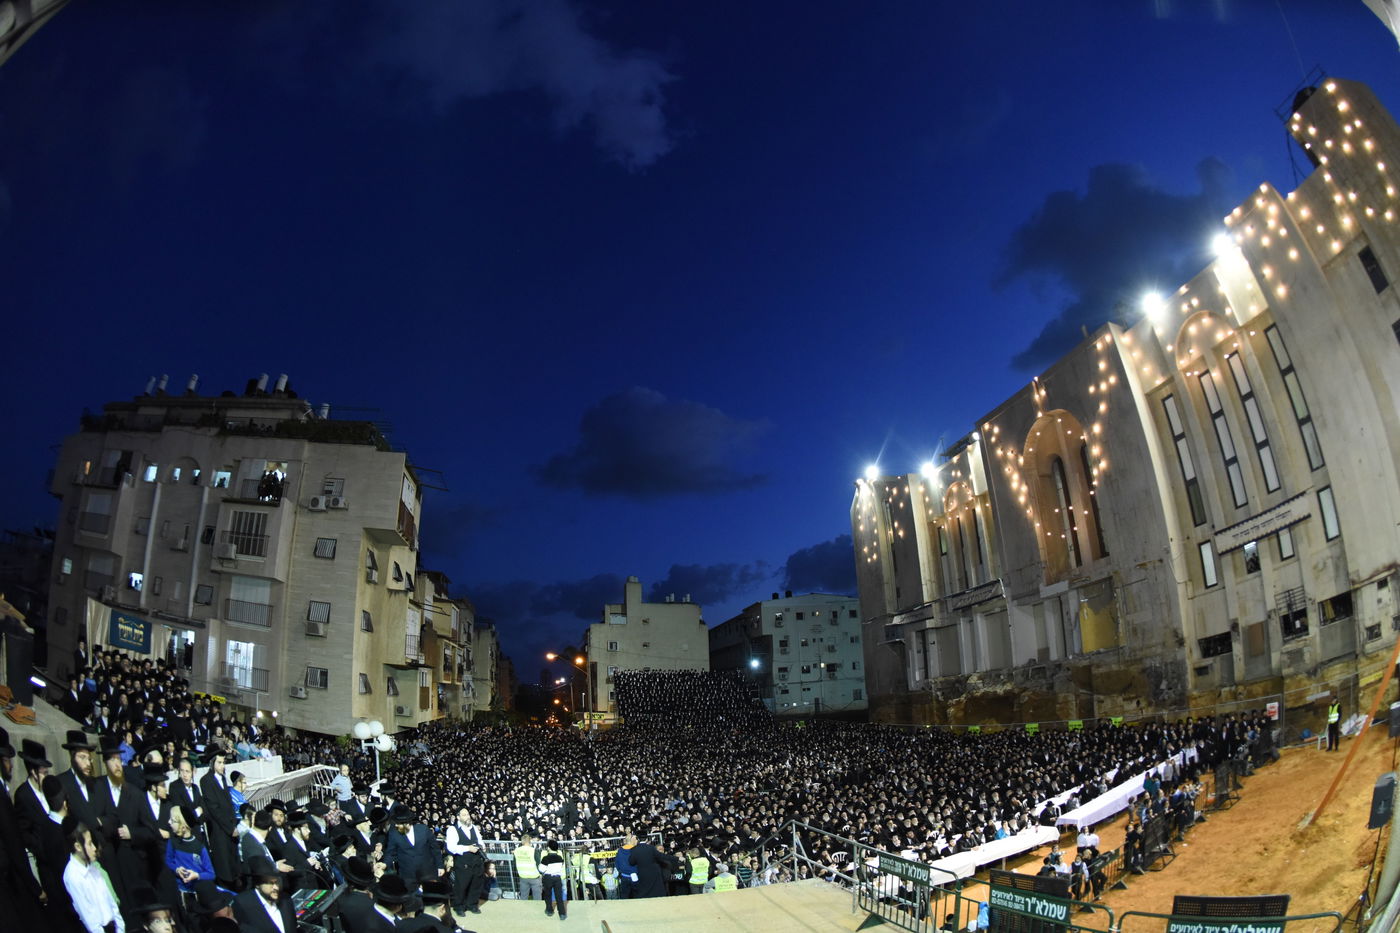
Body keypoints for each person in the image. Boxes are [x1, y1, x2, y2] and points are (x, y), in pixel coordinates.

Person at [63, 818, 125, 933]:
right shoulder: (73, 875)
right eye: (90, 844)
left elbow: (110, 900)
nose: (95, 848)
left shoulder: (93, 866)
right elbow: (89, 917)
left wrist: (120, 928)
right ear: (78, 846)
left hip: (114, 927)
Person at [198, 750, 238, 888]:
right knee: (223, 863)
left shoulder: (222, 778)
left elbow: (229, 804)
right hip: (219, 828)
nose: (222, 766)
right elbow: (214, 808)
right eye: (219, 763)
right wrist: (229, 827)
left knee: (233, 861)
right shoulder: (206, 781)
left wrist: (234, 824)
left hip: (230, 826)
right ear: (212, 763)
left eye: (224, 763)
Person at [232, 857, 297, 933]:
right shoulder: (243, 904)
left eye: (276, 882)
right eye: (270, 883)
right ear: (257, 884)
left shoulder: (286, 900)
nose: (276, 887)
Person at [384, 805, 444, 888]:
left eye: (398, 824)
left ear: (406, 823)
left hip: (428, 873)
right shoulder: (394, 834)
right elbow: (390, 853)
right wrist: (384, 864)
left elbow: (435, 848)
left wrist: (440, 866)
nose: (396, 826)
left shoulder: (423, 830)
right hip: (408, 876)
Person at [445, 807, 486, 914]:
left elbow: (480, 840)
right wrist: (468, 848)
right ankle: (459, 906)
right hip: (463, 862)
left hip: (476, 860)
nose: (467, 816)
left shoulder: (474, 828)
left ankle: (472, 905)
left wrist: (482, 846)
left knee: (476, 884)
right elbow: (451, 847)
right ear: (458, 817)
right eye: (464, 815)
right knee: (461, 885)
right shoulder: (452, 829)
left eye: (467, 814)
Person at [541, 838, 568, 918]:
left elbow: (541, 869)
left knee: (548, 894)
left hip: (548, 878)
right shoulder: (560, 858)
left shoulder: (546, 858)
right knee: (559, 896)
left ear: (548, 848)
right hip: (557, 878)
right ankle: (562, 913)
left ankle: (549, 910)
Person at [512, 831, 543, 901]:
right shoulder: (533, 850)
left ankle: (524, 910)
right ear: (530, 841)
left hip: (523, 876)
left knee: (524, 897)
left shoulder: (516, 850)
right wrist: (540, 873)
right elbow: (538, 863)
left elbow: (514, 863)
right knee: (537, 897)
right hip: (534, 876)